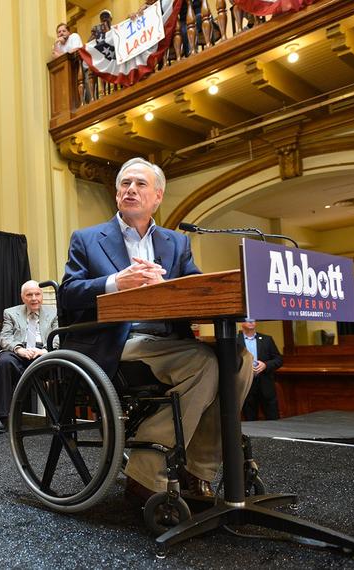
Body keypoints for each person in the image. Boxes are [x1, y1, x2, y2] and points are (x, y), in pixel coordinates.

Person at [60, 156, 253, 500]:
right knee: (204, 363)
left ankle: (198, 469)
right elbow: (68, 294)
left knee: (238, 361)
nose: (130, 189)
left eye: (140, 184)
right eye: (124, 184)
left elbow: (196, 287)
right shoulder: (88, 239)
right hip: (119, 341)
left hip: (170, 340)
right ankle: (146, 471)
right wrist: (115, 282)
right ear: (117, 193)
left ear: (158, 197)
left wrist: (167, 283)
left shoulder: (176, 243)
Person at [0, 280, 58, 434]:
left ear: (41, 295)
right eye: (29, 295)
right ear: (23, 298)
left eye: (37, 294)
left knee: (54, 363)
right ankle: (2, 417)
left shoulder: (54, 311)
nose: (34, 298)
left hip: (43, 353)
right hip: (19, 352)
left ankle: (56, 417)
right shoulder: (11, 312)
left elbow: (58, 336)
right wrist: (18, 349)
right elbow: (5, 338)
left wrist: (45, 350)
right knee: (4, 362)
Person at [237, 320, 283, 421]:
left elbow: (279, 360)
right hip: (246, 385)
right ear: (241, 322)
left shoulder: (267, 339)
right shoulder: (235, 340)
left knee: (273, 418)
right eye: (247, 319)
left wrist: (265, 365)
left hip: (266, 384)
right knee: (250, 418)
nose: (250, 321)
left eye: (253, 319)